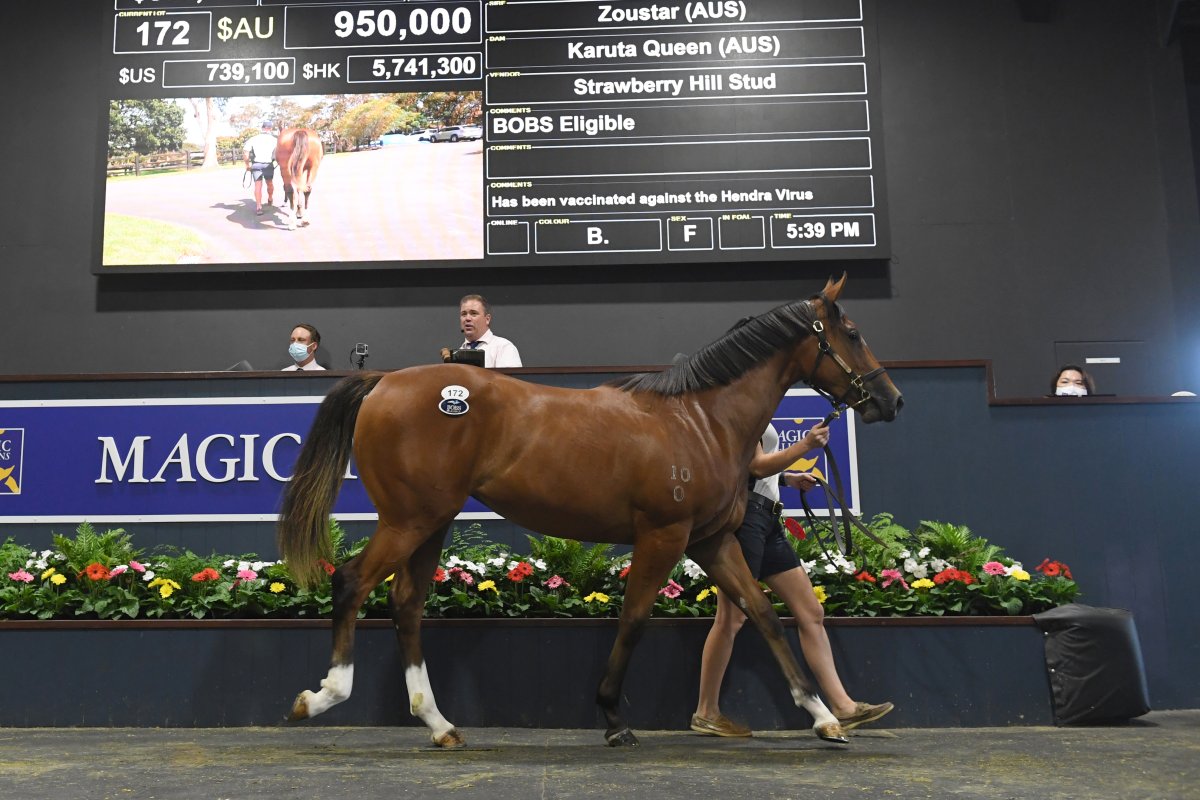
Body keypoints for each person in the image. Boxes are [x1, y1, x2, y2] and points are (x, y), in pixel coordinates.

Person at [692, 420, 893, 738]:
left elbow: (756, 468)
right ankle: (706, 712)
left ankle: (843, 706)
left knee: (811, 612)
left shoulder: (758, 409)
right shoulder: (744, 410)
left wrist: (788, 478)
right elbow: (755, 466)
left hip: (768, 520)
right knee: (729, 620)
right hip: (747, 523)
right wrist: (805, 445)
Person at [455, 294, 522, 368]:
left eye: (473, 313)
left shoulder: (503, 347)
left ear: (487, 319)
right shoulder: (457, 354)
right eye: (463, 314)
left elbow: (509, 379)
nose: (467, 318)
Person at [243, 120, 277, 216]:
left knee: (258, 185)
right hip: (268, 164)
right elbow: (277, 154)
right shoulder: (275, 140)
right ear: (270, 129)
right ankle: (270, 198)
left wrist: (247, 165)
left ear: (262, 128)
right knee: (269, 183)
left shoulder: (253, 139)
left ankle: (258, 207)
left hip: (256, 165)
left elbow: (246, 153)